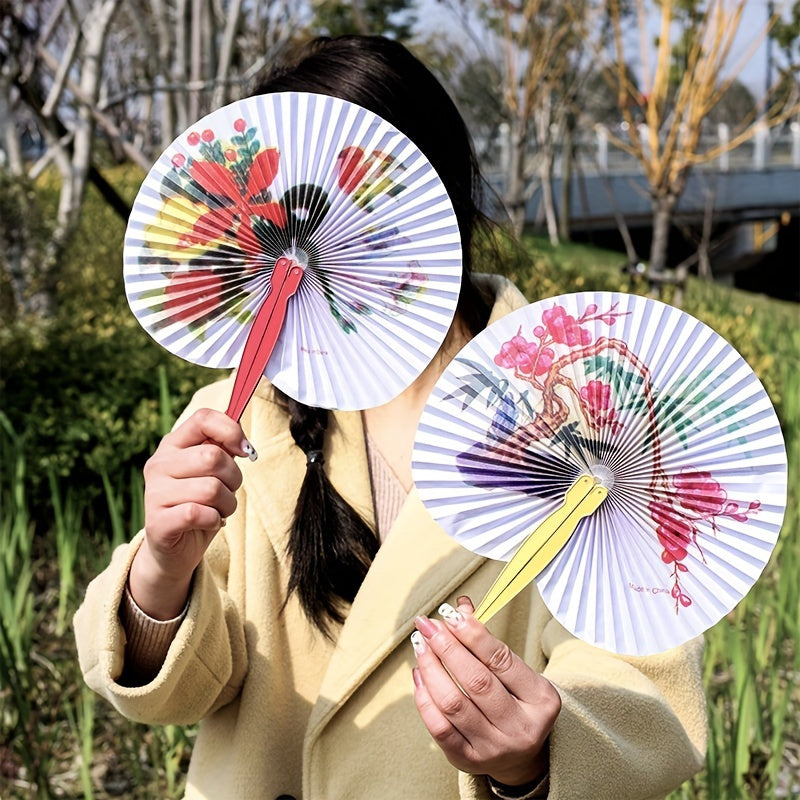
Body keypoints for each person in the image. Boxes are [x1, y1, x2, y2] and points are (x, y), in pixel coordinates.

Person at [74, 35, 707, 800]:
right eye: (286, 202)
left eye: (365, 198)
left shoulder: (594, 421)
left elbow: (641, 686)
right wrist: (161, 573)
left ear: (443, 198)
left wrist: (530, 761)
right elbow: (185, 690)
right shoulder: (240, 419)